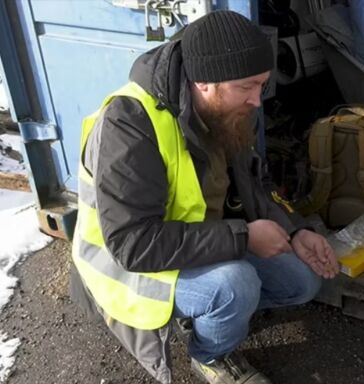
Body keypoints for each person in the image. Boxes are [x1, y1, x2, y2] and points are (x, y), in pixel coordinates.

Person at [70, 10, 339, 384]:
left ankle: (206, 311)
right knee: (235, 285)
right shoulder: (129, 123)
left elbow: (254, 186)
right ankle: (211, 356)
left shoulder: (228, 109)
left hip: (198, 241)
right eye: (247, 87)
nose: (257, 101)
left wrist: (293, 232)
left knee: (302, 279)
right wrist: (243, 238)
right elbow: (131, 244)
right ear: (204, 82)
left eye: (261, 85)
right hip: (129, 266)